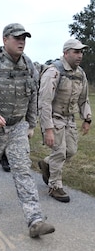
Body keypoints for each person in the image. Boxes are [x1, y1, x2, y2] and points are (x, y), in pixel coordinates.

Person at [0, 23, 55, 238]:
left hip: (16, 129)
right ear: (5, 39)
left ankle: (35, 219)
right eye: (17, 38)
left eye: (24, 38)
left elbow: (32, 95)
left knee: (23, 171)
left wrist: (31, 124)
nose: (21, 41)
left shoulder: (29, 66)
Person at [38, 39, 92, 203]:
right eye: (76, 52)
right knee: (59, 152)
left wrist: (87, 118)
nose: (79, 55)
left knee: (71, 151)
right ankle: (55, 186)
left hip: (69, 118)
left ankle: (47, 163)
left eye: (81, 52)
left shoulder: (80, 74)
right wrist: (48, 128)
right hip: (54, 118)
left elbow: (84, 98)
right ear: (66, 53)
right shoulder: (53, 72)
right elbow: (44, 102)